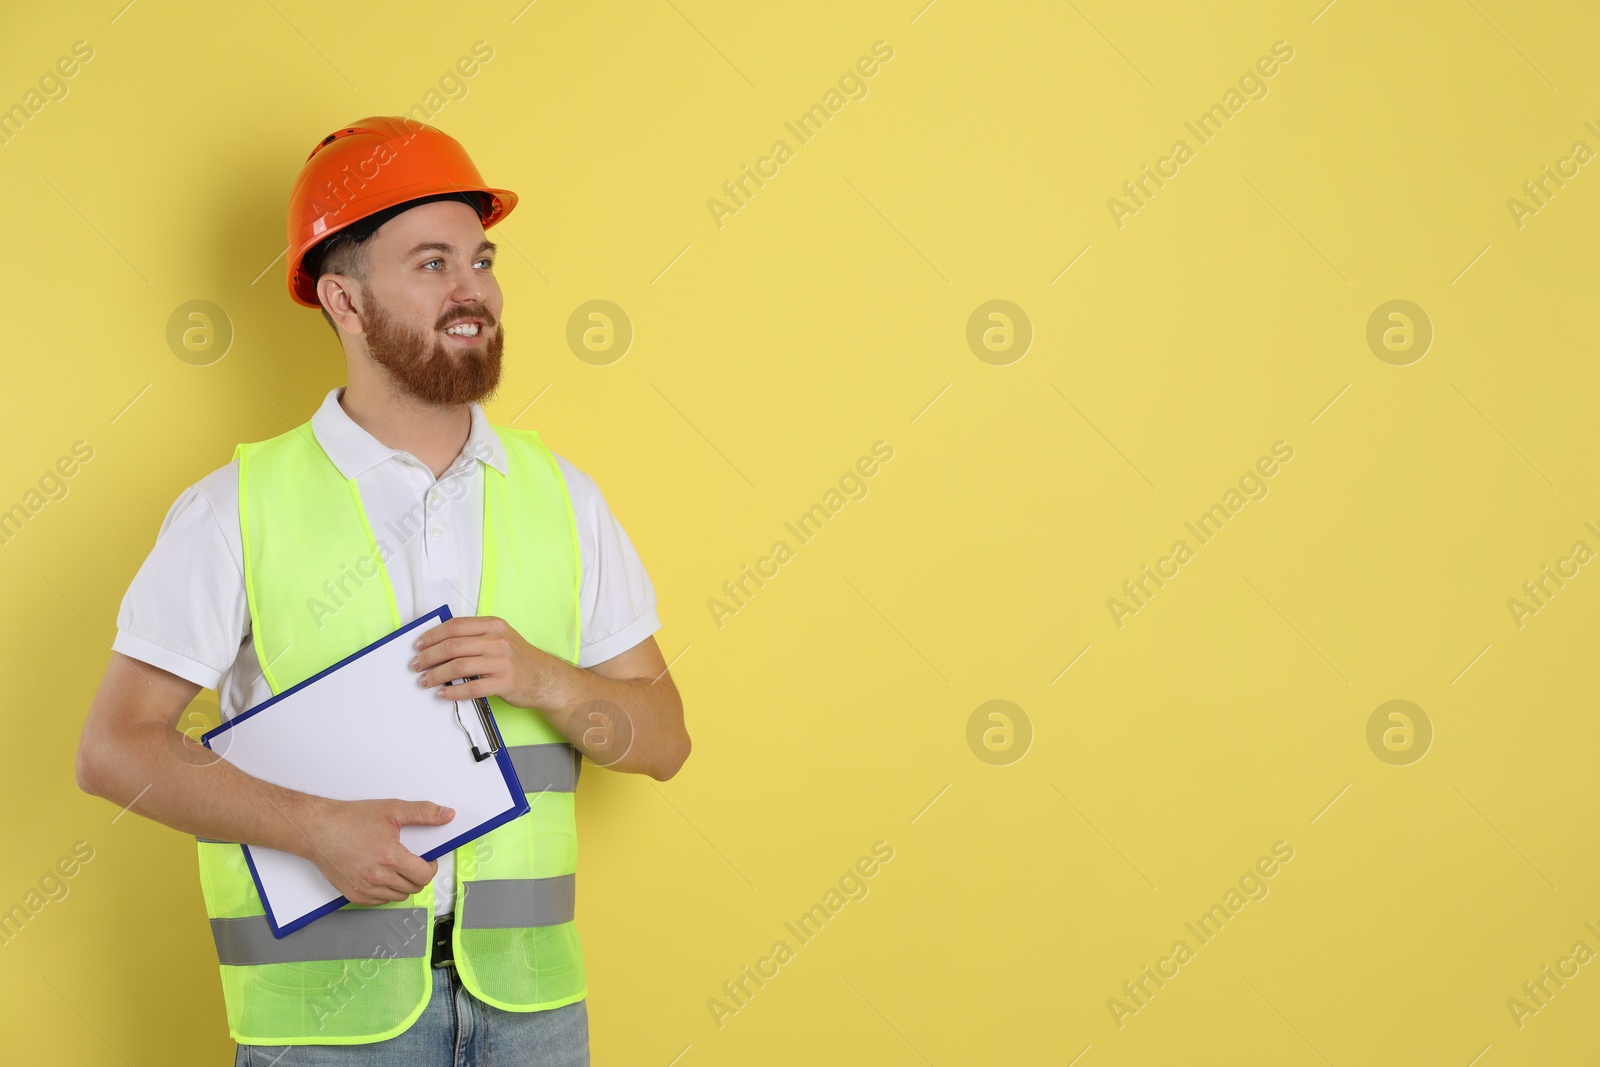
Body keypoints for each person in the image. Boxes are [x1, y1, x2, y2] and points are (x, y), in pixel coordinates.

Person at [74, 115, 690, 1066]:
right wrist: (314, 827)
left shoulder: (561, 495)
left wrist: (547, 680)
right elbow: (116, 747)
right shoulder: (236, 507)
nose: (475, 289)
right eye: (433, 263)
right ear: (346, 302)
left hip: (532, 1014)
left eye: (481, 259)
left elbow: (662, 742)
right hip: (325, 1028)